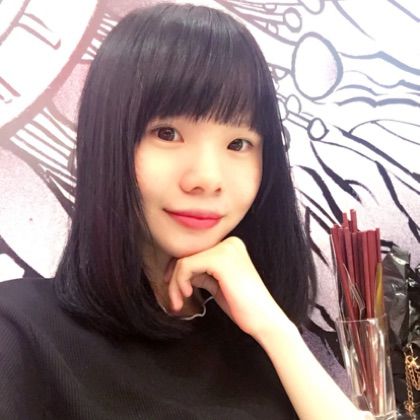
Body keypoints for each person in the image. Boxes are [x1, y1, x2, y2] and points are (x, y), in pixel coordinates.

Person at [0, 3, 373, 419]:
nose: (207, 178)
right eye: (167, 133)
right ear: (107, 141)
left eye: (238, 144)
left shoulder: (257, 329)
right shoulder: (17, 332)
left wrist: (277, 330)